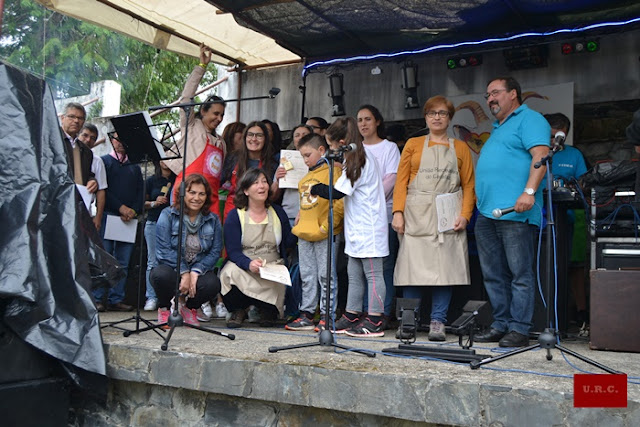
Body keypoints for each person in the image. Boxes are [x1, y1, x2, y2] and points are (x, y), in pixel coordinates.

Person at [474, 76, 550, 347]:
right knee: (493, 274)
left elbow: (541, 155)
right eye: (487, 95)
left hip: (515, 212)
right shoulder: (498, 128)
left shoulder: (530, 119)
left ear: (513, 94)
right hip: (487, 213)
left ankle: (519, 328)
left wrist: (529, 192)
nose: (490, 99)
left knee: (519, 274)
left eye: (495, 93)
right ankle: (501, 324)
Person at [392, 95, 475, 341]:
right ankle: (409, 320)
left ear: (449, 118)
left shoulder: (461, 147)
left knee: (444, 270)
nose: (437, 117)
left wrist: (465, 215)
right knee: (412, 269)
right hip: (416, 212)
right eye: (432, 113)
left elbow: (469, 185)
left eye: (442, 113)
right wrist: (398, 212)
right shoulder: (413, 144)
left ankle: (438, 321)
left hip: (448, 214)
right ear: (426, 117)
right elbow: (401, 181)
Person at [310, 117, 389, 338]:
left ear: (342, 142)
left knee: (373, 274)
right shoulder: (353, 158)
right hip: (357, 226)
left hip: (369, 227)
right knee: (353, 273)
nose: (331, 150)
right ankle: (352, 313)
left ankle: (375, 318)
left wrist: (317, 188)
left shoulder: (360, 160)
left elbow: (338, 192)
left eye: (332, 145)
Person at [220, 168, 296, 328]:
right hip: (245, 265)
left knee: (281, 277)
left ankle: (267, 310)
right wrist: (249, 264)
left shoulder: (278, 212)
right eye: (255, 183)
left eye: (264, 182)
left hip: (272, 267)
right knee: (228, 273)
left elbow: (288, 243)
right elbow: (233, 251)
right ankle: (238, 309)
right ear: (246, 190)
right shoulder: (236, 215)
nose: (261, 186)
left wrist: (297, 228)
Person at [285, 133, 344, 331]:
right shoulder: (305, 177)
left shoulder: (334, 173)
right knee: (307, 275)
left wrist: (328, 226)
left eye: (308, 155)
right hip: (305, 233)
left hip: (325, 232)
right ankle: (307, 313)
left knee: (326, 276)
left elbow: (340, 202)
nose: (305, 160)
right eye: (302, 156)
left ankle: (328, 314)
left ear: (321, 150)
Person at [151, 174, 223, 326]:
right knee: (160, 275)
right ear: (183, 194)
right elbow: (163, 250)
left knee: (212, 283)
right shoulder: (168, 215)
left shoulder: (213, 219)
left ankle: (190, 308)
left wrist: (196, 271)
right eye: (192, 192)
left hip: (198, 269)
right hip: (172, 269)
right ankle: (164, 308)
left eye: (201, 194)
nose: (196, 198)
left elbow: (215, 252)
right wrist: (184, 272)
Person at [164, 43, 226, 216]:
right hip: (186, 192)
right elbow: (186, 97)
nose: (219, 119)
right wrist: (202, 67)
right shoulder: (190, 124)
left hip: (211, 198)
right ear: (203, 111)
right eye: (215, 114)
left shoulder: (221, 142)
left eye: (222, 115)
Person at [357, 105, 400, 326]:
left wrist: (366, 200)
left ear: (378, 122)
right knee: (360, 268)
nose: (363, 124)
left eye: (368, 119)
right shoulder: (355, 149)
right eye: (359, 120)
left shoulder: (389, 148)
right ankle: (363, 311)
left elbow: (391, 179)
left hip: (383, 216)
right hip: (358, 219)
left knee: (383, 267)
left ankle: (380, 313)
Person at [93, 132, 144, 312]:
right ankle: (98, 298)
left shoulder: (134, 167)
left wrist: (133, 211)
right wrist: (120, 207)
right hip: (108, 215)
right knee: (104, 258)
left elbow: (140, 192)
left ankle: (117, 298)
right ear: (111, 140)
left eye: (124, 139)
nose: (121, 143)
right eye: (117, 139)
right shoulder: (104, 162)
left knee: (123, 261)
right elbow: (103, 190)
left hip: (128, 220)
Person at [221, 121, 279, 220]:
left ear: (266, 139)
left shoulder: (272, 164)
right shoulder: (233, 158)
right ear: (244, 138)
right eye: (250, 135)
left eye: (259, 136)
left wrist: (277, 181)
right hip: (234, 212)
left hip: (260, 214)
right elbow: (219, 182)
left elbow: (272, 196)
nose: (254, 139)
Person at [142, 161, 176, 311]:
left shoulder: (177, 179)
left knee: (172, 260)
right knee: (152, 260)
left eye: (170, 158)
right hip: (154, 222)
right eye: (164, 158)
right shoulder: (151, 180)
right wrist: (153, 203)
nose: (167, 162)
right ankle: (151, 297)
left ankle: (170, 298)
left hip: (173, 224)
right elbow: (141, 203)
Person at [60, 103, 99, 204]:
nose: (76, 121)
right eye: (72, 116)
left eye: (80, 118)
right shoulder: (51, 142)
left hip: (78, 203)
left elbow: (87, 174)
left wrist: (92, 181)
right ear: (62, 118)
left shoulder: (86, 151)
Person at [77, 123, 108, 231]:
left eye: (92, 138)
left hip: (85, 210)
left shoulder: (97, 161)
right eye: (85, 135)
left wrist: (98, 217)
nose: (88, 140)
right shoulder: (67, 153)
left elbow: (101, 190)